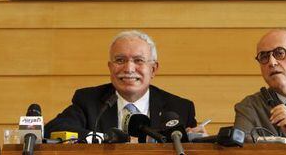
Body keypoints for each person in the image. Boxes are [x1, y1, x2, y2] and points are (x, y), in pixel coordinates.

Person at [45, 30, 203, 141]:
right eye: (120, 60)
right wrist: (114, 139)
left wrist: (201, 141)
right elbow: (54, 130)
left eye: (138, 60)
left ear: (153, 69)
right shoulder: (89, 101)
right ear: (110, 67)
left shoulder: (179, 108)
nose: (128, 69)